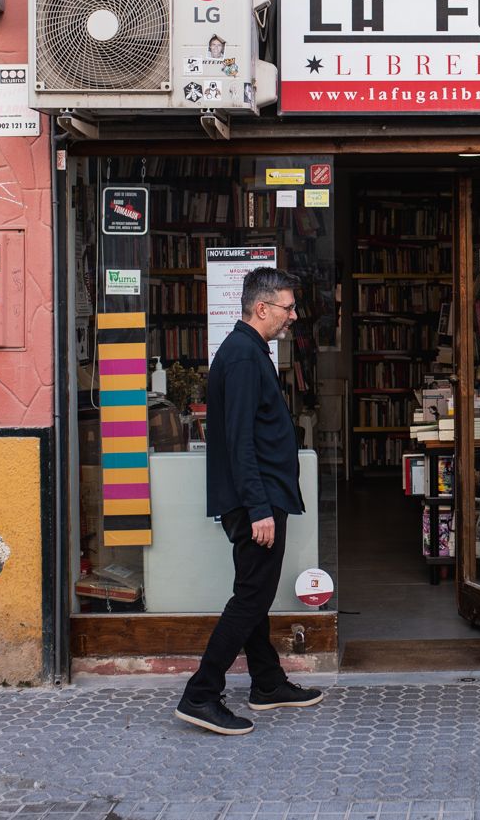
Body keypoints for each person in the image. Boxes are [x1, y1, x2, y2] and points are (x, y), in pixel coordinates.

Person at [175, 267, 322, 735]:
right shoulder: (241, 356)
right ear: (262, 308)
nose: (293, 316)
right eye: (287, 307)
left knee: (253, 594)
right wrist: (259, 508)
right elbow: (239, 440)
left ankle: (267, 682)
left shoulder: (248, 350)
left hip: (259, 495)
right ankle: (200, 694)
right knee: (251, 596)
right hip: (253, 501)